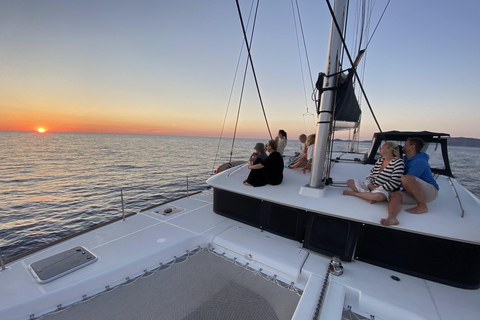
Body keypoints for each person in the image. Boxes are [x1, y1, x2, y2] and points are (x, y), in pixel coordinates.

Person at [380, 137, 439, 226]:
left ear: (412, 147)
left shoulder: (419, 161)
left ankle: (422, 205)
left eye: (406, 144)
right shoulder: (405, 159)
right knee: (395, 195)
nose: (403, 146)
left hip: (429, 192)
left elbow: (406, 180)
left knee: (406, 178)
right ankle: (392, 218)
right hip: (413, 190)